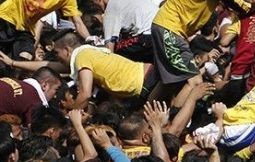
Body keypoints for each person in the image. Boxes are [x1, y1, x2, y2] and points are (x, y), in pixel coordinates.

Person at [1, 32, 156, 109]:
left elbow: (85, 94)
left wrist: (71, 113)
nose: (56, 57)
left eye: (57, 53)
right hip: (146, 77)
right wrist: (13, 63)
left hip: (146, 81)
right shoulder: (87, 53)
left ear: (67, 50)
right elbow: (48, 65)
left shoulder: (82, 56)